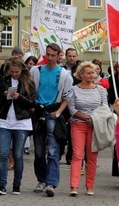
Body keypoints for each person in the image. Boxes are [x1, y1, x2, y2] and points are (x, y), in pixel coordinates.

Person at [31, 43, 73, 197]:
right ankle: (41, 179)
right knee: (39, 150)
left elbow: (67, 97)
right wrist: (32, 108)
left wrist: (59, 112)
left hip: (53, 112)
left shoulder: (64, 74)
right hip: (38, 112)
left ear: (58, 56)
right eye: (47, 54)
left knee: (54, 150)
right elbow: (30, 91)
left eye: (53, 55)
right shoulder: (36, 71)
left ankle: (51, 183)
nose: (49, 58)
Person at [68, 61, 108, 196]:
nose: (92, 75)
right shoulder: (74, 89)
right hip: (78, 124)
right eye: (89, 73)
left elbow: (105, 108)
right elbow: (72, 109)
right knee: (77, 155)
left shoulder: (101, 90)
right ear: (81, 74)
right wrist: (86, 118)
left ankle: (89, 186)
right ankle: (74, 186)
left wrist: (94, 119)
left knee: (92, 156)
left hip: (95, 125)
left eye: (94, 73)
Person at [0, 58, 36, 195]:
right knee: (3, 154)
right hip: (4, 120)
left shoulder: (28, 82)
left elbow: (32, 103)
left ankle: (17, 185)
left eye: (17, 72)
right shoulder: (3, 81)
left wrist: (18, 97)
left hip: (21, 121)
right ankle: (2, 184)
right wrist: (4, 96)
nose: (14, 74)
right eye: (12, 71)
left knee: (18, 155)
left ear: (22, 70)